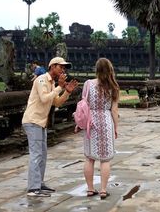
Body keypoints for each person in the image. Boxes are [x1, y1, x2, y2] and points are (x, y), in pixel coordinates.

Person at [22, 57, 78, 197]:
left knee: (43, 154)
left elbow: (56, 102)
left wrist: (67, 92)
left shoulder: (52, 83)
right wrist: (60, 87)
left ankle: (39, 183)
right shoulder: (41, 79)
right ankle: (33, 188)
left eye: (64, 68)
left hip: (41, 122)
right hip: (33, 120)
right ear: (52, 67)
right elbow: (44, 98)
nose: (63, 70)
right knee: (36, 154)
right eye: (61, 67)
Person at [81, 58, 119, 200]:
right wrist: (115, 127)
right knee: (105, 159)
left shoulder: (88, 84)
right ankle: (103, 190)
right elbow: (114, 110)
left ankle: (90, 189)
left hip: (91, 122)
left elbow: (84, 104)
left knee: (90, 158)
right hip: (106, 120)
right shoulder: (113, 86)